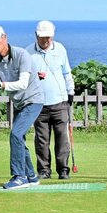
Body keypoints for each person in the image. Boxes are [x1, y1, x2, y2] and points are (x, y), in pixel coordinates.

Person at [0, 25, 44, 189]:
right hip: (19, 103)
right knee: (19, 138)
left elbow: (23, 83)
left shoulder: (22, 55)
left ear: (5, 37)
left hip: (33, 100)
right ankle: (31, 176)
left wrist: (0, 85)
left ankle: (19, 176)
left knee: (15, 135)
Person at [26, 20, 75, 180]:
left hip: (60, 102)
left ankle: (63, 169)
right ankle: (44, 170)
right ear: (36, 36)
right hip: (39, 103)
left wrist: (71, 91)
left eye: (48, 37)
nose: (45, 40)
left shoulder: (60, 49)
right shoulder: (28, 53)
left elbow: (67, 72)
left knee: (62, 137)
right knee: (41, 139)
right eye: (42, 37)